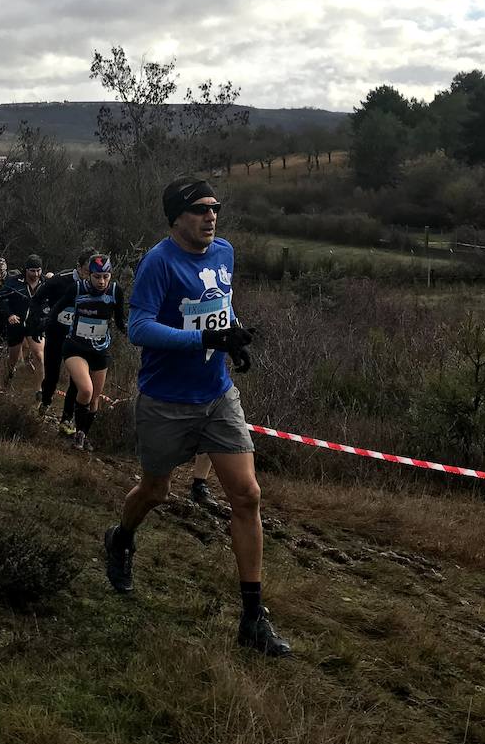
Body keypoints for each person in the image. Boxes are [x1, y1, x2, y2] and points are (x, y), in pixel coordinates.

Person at [102, 177, 290, 657]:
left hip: (217, 395)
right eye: (200, 209)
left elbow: (219, 308)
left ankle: (252, 619)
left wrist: (232, 338)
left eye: (216, 208)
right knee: (155, 490)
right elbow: (139, 327)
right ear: (176, 217)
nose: (211, 217)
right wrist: (204, 340)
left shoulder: (225, 252)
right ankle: (121, 538)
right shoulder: (158, 263)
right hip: (165, 399)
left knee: (247, 495)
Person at [57, 254, 126, 451]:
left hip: (100, 349)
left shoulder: (115, 291)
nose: (101, 281)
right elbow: (57, 309)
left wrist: (135, 333)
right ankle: (76, 430)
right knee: (85, 390)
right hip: (75, 347)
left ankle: (83, 435)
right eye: (97, 277)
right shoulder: (77, 289)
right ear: (89, 276)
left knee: (95, 396)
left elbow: (120, 321)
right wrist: (44, 325)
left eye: (105, 276)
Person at [29, 248, 95, 431]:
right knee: (52, 375)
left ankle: (66, 418)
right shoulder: (60, 280)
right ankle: (46, 402)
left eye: (94, 273)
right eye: (88, 272)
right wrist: (39, 321)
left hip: (78, 339)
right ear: (79, 267)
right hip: (56, 334)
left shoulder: (97, 286)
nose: (91, 277)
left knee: (77, 379)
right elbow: (36, 300)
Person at [0, 255, 45, 384]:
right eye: (32, 271)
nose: (36, 274)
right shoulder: (14, 281)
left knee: (39, 356)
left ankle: (41, 391)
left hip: (34, 325)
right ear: (26, 270)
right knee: (13, 359)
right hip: (16, 324)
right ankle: (8, 378)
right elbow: (0, 299)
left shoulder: (46, 283)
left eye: (38, 270)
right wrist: (9, 314)